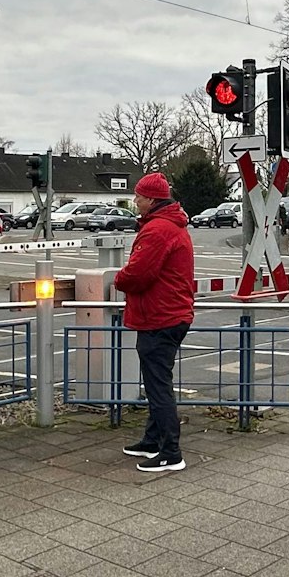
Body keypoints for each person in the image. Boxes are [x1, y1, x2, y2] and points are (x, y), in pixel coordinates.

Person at [114, 172, 195, 473]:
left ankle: (171, 453)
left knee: (158, 386)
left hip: (159, 316)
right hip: (170, 314)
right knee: (156, 382)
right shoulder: (170, 225)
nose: (135, 200)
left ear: (150, 199)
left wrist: (118, 279)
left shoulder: (157, 229)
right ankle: (152, 440)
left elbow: (138, 274)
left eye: (138, 196)